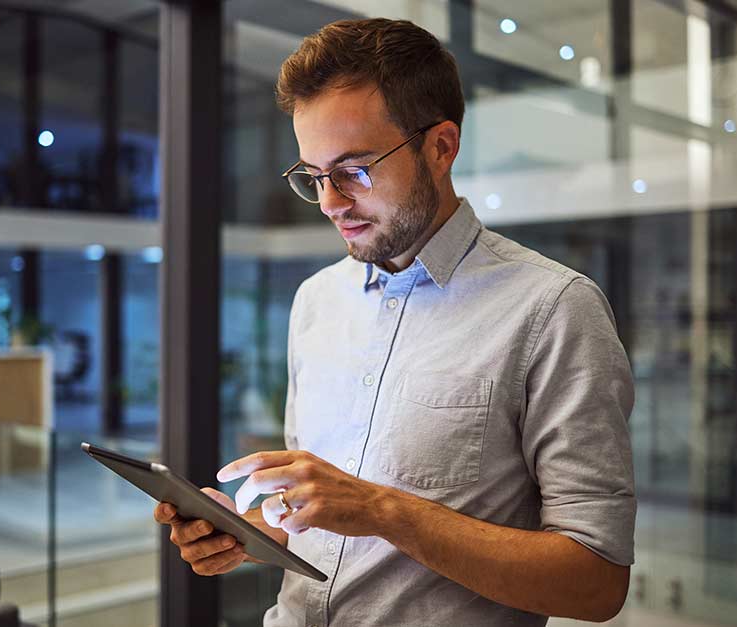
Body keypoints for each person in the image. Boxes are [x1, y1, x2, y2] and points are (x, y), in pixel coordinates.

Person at [154, 17, 635, 627]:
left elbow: (596, 582)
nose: (329, 202)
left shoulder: (554, 309)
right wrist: (245, 532)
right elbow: (318, 515)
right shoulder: (316, 301)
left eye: (355, 169)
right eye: (313, 175)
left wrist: (384, 510)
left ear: (440, 147)